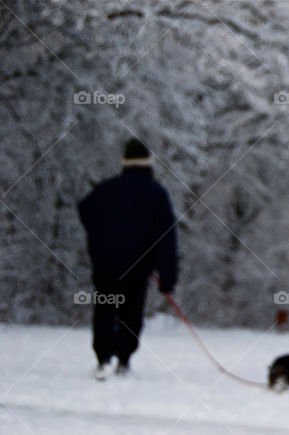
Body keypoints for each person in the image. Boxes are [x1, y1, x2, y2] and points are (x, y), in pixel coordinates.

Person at [78, 138, 178, 380]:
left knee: (104, 308)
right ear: (148, 164)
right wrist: (167, 275)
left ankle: (103, 358)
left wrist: (100, 240)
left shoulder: (105, 189)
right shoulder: (156, 193)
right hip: (137, 266)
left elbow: (84, 208)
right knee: (131, 312)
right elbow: (166, 237)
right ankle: (124, 358)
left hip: (105, 263)